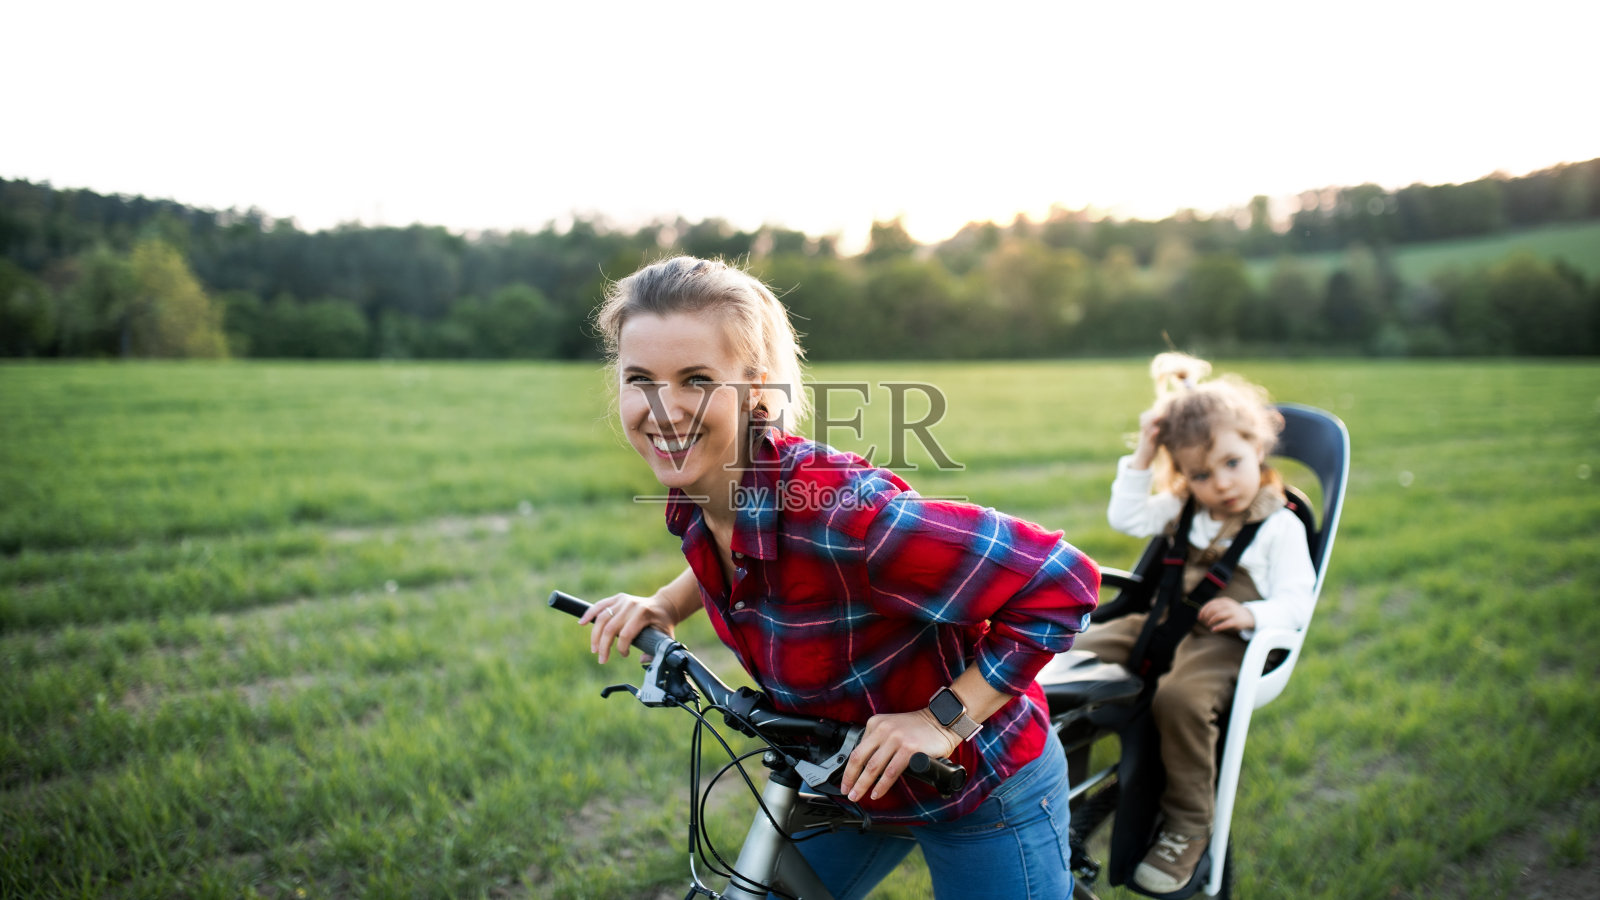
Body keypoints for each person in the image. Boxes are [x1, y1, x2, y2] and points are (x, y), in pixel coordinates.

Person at [576, 256, 1100, 899]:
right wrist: (663, 603)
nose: (664, 407)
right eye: (640, 378)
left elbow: (1062, 578)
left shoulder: (847, 520)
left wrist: (940, 721)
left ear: (757, 392)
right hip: (848, 774)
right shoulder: (696, 489)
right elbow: (736, 558)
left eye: (696, 379)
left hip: (972, 780)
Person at [1074, 352, 1315, 895]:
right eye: (1200, 474)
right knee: (1067, 652)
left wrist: (1250, 612)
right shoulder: (1186, 509)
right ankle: (1054, 790)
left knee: (1179, 698)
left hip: (1227, 641)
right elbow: (1126, 517)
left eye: (1232, 462)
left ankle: (1188, 824)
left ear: (1257, 446)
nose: (1222, 483)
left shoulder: (1279, 526)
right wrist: (1145, 447)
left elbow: (1298, 602)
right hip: (1160, 620)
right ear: (1183, 475)